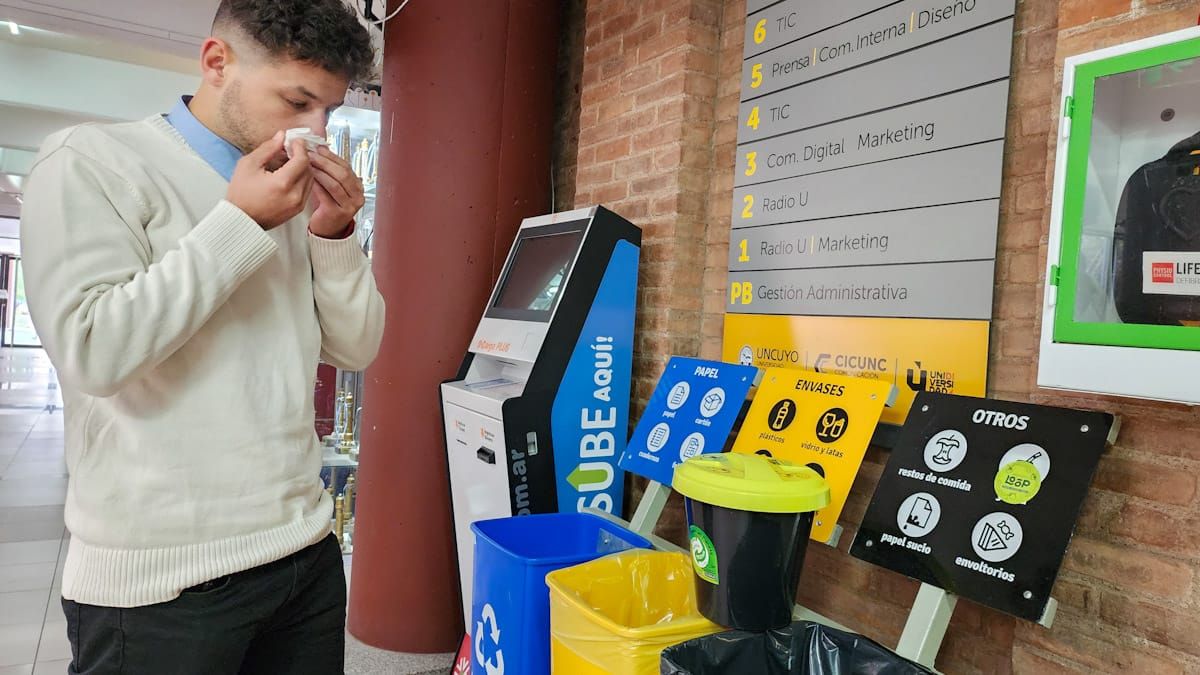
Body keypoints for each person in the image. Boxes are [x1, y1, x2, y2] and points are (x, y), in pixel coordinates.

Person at [18, 0, 385, 672]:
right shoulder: (93, 162)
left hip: (302, 552)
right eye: (298, 101)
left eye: (328, 111)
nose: (316, 130)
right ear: (217, 63)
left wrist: (332, 236)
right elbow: (93, 350)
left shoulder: (287, 192)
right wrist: (239, 220)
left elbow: (357, 347)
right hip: (161, 582)